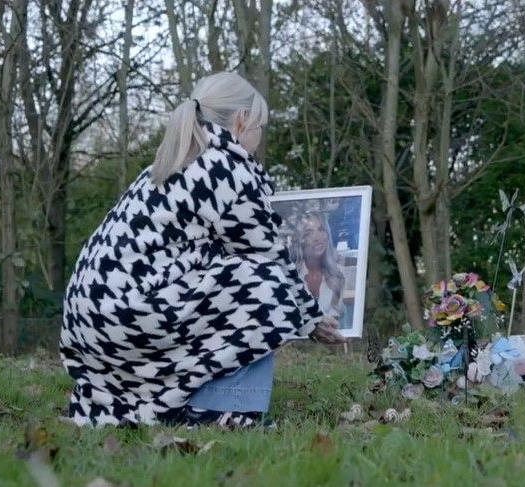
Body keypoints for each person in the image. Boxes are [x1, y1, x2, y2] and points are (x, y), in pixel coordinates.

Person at [60, 72, 345, 429]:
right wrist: (312, 317)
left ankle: (164, 401)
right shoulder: (227, 168)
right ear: (242, 121)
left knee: (238, 273)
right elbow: (269, 255)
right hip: (130, 317)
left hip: (89, 323)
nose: (259, 136)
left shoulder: (169, 165)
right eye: (260, 126)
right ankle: (222, 408)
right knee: (266, 281)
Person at [292, 212, 347, 327]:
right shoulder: (291, 276)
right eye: (309, 233)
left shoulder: (337, 275)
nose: (317, 238)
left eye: (321, 230)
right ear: (300, 241)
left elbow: (334, 323)